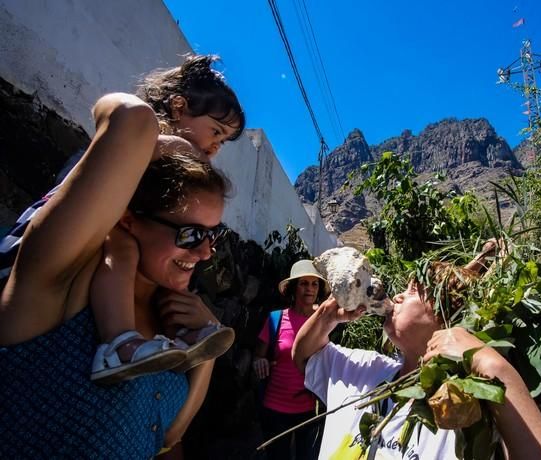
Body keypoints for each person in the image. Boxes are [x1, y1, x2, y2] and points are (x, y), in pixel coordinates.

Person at [0, 94, 229, 457]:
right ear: (128, 219)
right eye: (191, 234)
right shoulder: (63, 284)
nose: (206, 253)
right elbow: (130, 117)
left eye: (215, 235)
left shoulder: (175, 324)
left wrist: (207, 352)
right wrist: (187, 150)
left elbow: (168, 438)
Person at [0, 54, 246, 384]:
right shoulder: (144, 147)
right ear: (177, 107)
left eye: (222, 141)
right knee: (125, 248)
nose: (215, 147)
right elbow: (127, 124)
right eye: (215, 132)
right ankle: (119, 342)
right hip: (26, 255)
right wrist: (177, 147)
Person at [292, 252, 541, 459]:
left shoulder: (465, 412)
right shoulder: (368, 369)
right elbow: (304, 357)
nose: (397, 296)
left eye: (414, 291)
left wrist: (488, 361)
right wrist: (328, 315)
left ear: (450, 320)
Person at [254, 260, 330, 460]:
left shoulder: (324, 321)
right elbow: (259, 355)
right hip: (275, 407)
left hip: (310, 409)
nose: (310, 289)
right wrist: (259, 361)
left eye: (314, 284)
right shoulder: (275, 319)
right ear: (293, 287)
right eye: (304, 283)